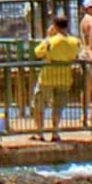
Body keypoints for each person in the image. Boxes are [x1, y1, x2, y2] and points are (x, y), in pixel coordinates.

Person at [32, 14, 80, 142]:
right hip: (65, 78)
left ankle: (40, 132)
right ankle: (55, 132)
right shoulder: (75, 41)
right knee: (58, 106)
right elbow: (77, 55)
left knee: (39, 105)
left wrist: (48, 36)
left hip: (47, 77)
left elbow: (37, 53)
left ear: (54, 26)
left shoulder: (49, 41)